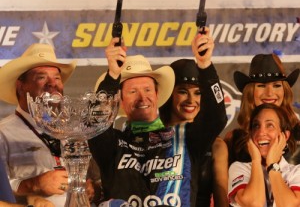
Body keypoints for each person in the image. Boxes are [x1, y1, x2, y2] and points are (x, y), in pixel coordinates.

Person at [89, 28, 227, 207]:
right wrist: (113, 76)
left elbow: (217, 117)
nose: (142, 97)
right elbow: (94, 123)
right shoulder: (112, 144)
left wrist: (205, 65)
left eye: (147, 90)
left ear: (157, 94)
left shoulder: (184, 137)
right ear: (120, 100)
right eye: (132, 91)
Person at [0, 43, 94, 206]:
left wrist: (92, 187)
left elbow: (95, 181)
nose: (52, 83)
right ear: (21, 86)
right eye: (41, 77)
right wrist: (33, 185)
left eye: (57, 78)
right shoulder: (3, 133)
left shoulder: (75, 130)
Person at [159, 58, 229, 207]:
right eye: (183, 92)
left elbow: (221, 199)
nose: (191, 100)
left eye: (198, 93)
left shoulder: (216, 145)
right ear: (169, 94)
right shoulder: (151, 138)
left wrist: (206, 66)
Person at [225, 53, 300, 165]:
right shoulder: (234, 139)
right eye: (261, 86)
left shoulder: (298, 132)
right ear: (250, 92)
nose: (270, 93)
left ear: (285, 91)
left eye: (276, 85)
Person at [228, 103, 300, 206]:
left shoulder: (296, 172)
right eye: (256, 126)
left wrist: (272, 164)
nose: (261, 132)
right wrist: (256, 160)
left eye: (270, 125)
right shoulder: (239, 168)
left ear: (285, 136)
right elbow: (254, 204)